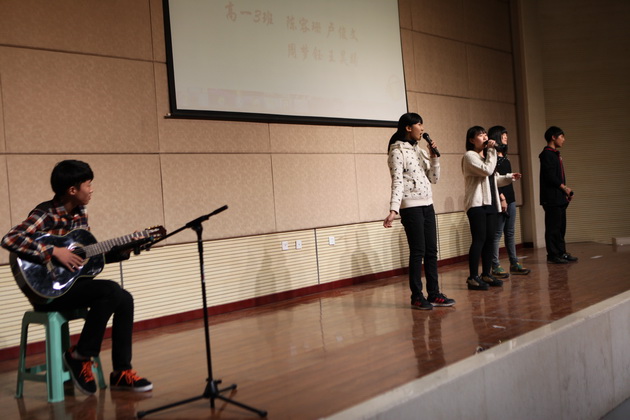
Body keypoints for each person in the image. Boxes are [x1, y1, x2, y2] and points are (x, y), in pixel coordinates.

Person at [1, 160, 153, 395]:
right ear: (73, 189)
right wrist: (54, 251)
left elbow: (86, 259)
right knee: (111, 290)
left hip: (72, 286)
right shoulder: (45, 214)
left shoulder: (80, 214)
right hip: (48, 292)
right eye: (88, 185)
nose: (92, 190)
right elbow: (10, 239)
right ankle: (79, 356)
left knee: (125, 298)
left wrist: (124, 249)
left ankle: (121, 372)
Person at [383, 112, 455, 310]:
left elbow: (434, 178)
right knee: (418, 252)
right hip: (410, 206)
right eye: (419, 125)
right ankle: (416, 296)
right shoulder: (397, 151)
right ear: (408, 128)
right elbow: (397, 181)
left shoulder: (419, 151)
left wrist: (434, 158)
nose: (422, 129)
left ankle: (434, 293)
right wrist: (394, 210)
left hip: (427, 204)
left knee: (431, 251)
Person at [462, 126, 521, 290]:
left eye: (485, 134)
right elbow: (487, 171)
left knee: (489, 240)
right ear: (472, 140)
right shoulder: (470, 156)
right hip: (476, 204)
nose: (484, 137)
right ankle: (473, 277)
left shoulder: (486, 156)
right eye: (480, 135)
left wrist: (509, 177)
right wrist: (492, 151)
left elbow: (493, 179)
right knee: (479, 239)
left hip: (490, 203)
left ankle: (486, 274)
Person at [487, 126, 530, 277]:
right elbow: (492, 180)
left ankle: (514, 263)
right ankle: (495, 265)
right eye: (503, 134)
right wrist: (502, 198)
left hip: (511, 198)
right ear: (496, 136)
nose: (506, 137)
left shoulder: (504, 155)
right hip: (500, 199)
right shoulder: (491, 156)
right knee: (497, 233)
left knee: (510, 233)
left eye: (506, 135)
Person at [539, 126, 577, 264]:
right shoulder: (546, 154)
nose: (564, 140)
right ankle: (553, 255)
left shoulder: (555, 154)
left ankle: (562, 252)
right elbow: (550, 176)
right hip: (551, 198)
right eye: (562, 136)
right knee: (553, 227)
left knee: (561, 227)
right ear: (553, 137)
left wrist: (565, 192)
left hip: (559, 197)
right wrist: (564, 188)